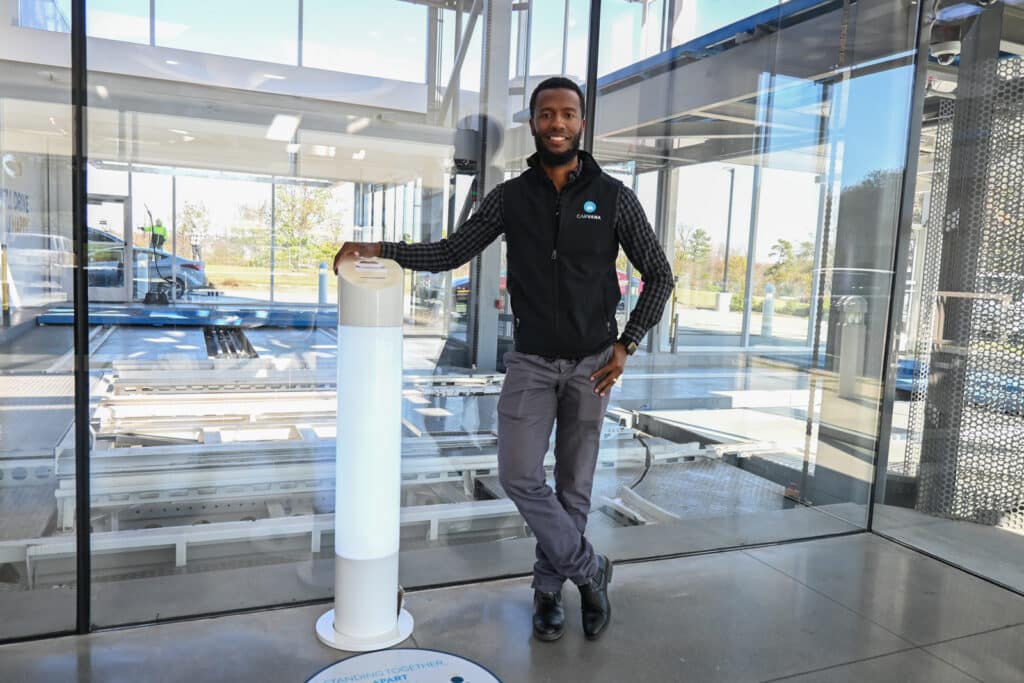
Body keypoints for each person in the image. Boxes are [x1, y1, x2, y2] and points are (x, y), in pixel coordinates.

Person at [333, 76, 674, 642]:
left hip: (594, 364)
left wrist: (627, 343)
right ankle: (590, 573)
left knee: (573, 487)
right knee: (518, 474)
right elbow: (449, 252)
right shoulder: (511, 198)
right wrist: (378, 249)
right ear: (534, 124)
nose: (557, 123)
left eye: (567, 114)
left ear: (582, 123)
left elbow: (659, 275)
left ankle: (547, 593)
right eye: (546, 114)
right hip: (532, 362)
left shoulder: (615, 197)